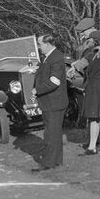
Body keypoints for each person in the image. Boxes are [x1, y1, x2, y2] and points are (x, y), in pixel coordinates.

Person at [32, 33, 68, 171]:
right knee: (54, 133)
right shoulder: (51, 57)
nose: (39, 47)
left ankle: (48, 163)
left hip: (54, 103)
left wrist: (37, 90)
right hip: (53, 102)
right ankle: (56, 161)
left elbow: (55, 82)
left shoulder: (55, 58)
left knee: (50, 135)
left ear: (47, 44)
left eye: (40, 44)